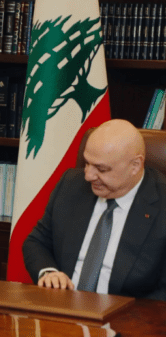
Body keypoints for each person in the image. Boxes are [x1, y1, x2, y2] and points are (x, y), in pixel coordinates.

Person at [23, 119, 166, 300]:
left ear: (135, 166)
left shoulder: (161, 203)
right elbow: (37, 241)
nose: (88, 176)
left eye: (101, 169)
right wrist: (49, 272)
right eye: (87, 163)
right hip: (63, 306)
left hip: (128, 312)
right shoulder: (71, 184)